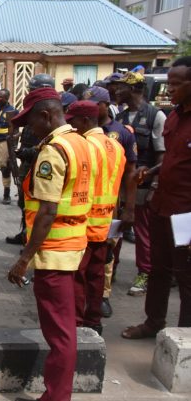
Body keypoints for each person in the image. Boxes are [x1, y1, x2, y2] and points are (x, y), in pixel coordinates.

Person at [7, 87, 96, 401]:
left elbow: (46, 212)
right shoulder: (80, 142)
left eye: (30, 121)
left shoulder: (53, 152)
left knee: (60, 333)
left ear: (46, 115)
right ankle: (56, 397)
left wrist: (23, 258)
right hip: (74, 246)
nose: (29, 128)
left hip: (55, 253)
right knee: (65, 328)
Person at [121, 57, 191, 339]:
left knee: (186, 277)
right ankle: (153, 323)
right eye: (169, 82)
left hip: (187, 214)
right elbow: (174, 158)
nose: (169, 88)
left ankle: (184, 337)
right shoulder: (174, 116)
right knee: (159, 269)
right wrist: (150, 172)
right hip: (162, 205)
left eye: (176, 83)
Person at [66, 101, 125, 335]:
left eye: (73, 120)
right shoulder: (116, 146)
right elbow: (118, 187)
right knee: (97, 274)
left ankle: (78, 325)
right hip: (106, 221)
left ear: (86, 121)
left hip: (84, 221)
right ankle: (93, 321)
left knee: (78, 276)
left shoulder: (85, 145)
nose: (70, 125)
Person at [84, 85, 138, 318]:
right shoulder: (82, 131)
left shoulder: (121, 132)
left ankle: (103, 296)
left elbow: (131, 173)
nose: (93, 108)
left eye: (96, 103)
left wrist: (129, 208)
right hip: (85, 205)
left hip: (111, 205)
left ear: (106, 104)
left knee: (107, 253)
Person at [116, 71, 167, 297]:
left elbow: (161, 156)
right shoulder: (121, 117)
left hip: (142, 185)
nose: (117, 92)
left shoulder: (156, 116)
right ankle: (112, 267)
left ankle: (144, 273)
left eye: (122, 88)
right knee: (116, 229)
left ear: (135, 89)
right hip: (119, 184)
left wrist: (154, 184)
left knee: (142, 231)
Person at [6, 74, 55, 246]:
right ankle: (25, 231)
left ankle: (33, 238)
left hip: (41, 162)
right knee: (23, 200)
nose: (30, 93)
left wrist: (29, 152)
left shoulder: (50, 111)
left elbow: (49, 142)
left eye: (33, 90)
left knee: (36, 203)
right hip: (27, 160)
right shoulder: (32, 107)